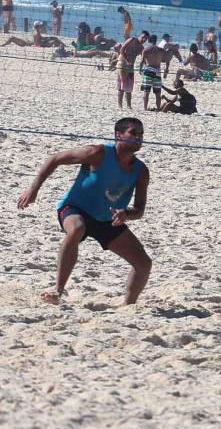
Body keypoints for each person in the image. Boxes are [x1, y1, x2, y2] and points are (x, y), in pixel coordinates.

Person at [16, 118, 152, 305]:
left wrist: (125, 213)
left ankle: (128, 306)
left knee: (144, 263)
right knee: (77, 228)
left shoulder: (141, 171)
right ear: (118, 135)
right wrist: (33, 189)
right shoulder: (97, 153)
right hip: (75, 208)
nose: (138, 137)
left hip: (107, 220)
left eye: (141, 134)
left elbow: (139, 210)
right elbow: (55, 158)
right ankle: (58, 290)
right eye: (133, 132)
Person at [112, 31, 146, 109]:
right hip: (123, 63)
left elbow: (144, 57)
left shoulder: (141, 47)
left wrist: (144, 66)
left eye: (146, 39)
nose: (144, 40)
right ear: (139, 36)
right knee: (122, 83)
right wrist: (127, 61)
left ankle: (129, 106)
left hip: (131, 66)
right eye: (143, 37)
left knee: (129, 85)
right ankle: (120, 105)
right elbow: (121, 50)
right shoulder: (132, 40)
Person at [139, 34, 164, 112]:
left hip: (148, 70)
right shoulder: (160, 50)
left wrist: (140, 69)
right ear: (156, 40)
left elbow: (142, 61)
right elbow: (165, 59)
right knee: (158, 92)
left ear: (149, 40)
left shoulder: (146, 50)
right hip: (157, 71)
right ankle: (159, 108)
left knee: (146, 92)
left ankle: (145, 108)